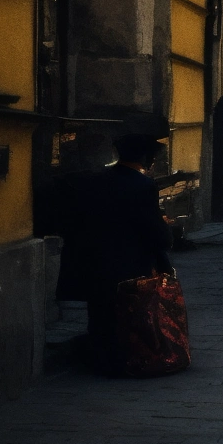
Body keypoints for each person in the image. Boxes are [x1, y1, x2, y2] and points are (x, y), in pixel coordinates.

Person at [77, 130, 177, 374]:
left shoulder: (96, 180)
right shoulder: (143, 185)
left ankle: (101, 359)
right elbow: (153, 229)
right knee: (130, 313)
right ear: (145, 158)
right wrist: (166, 241)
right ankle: (127, 359)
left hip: (98, 258)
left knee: (101, 313)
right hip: (131, 261)